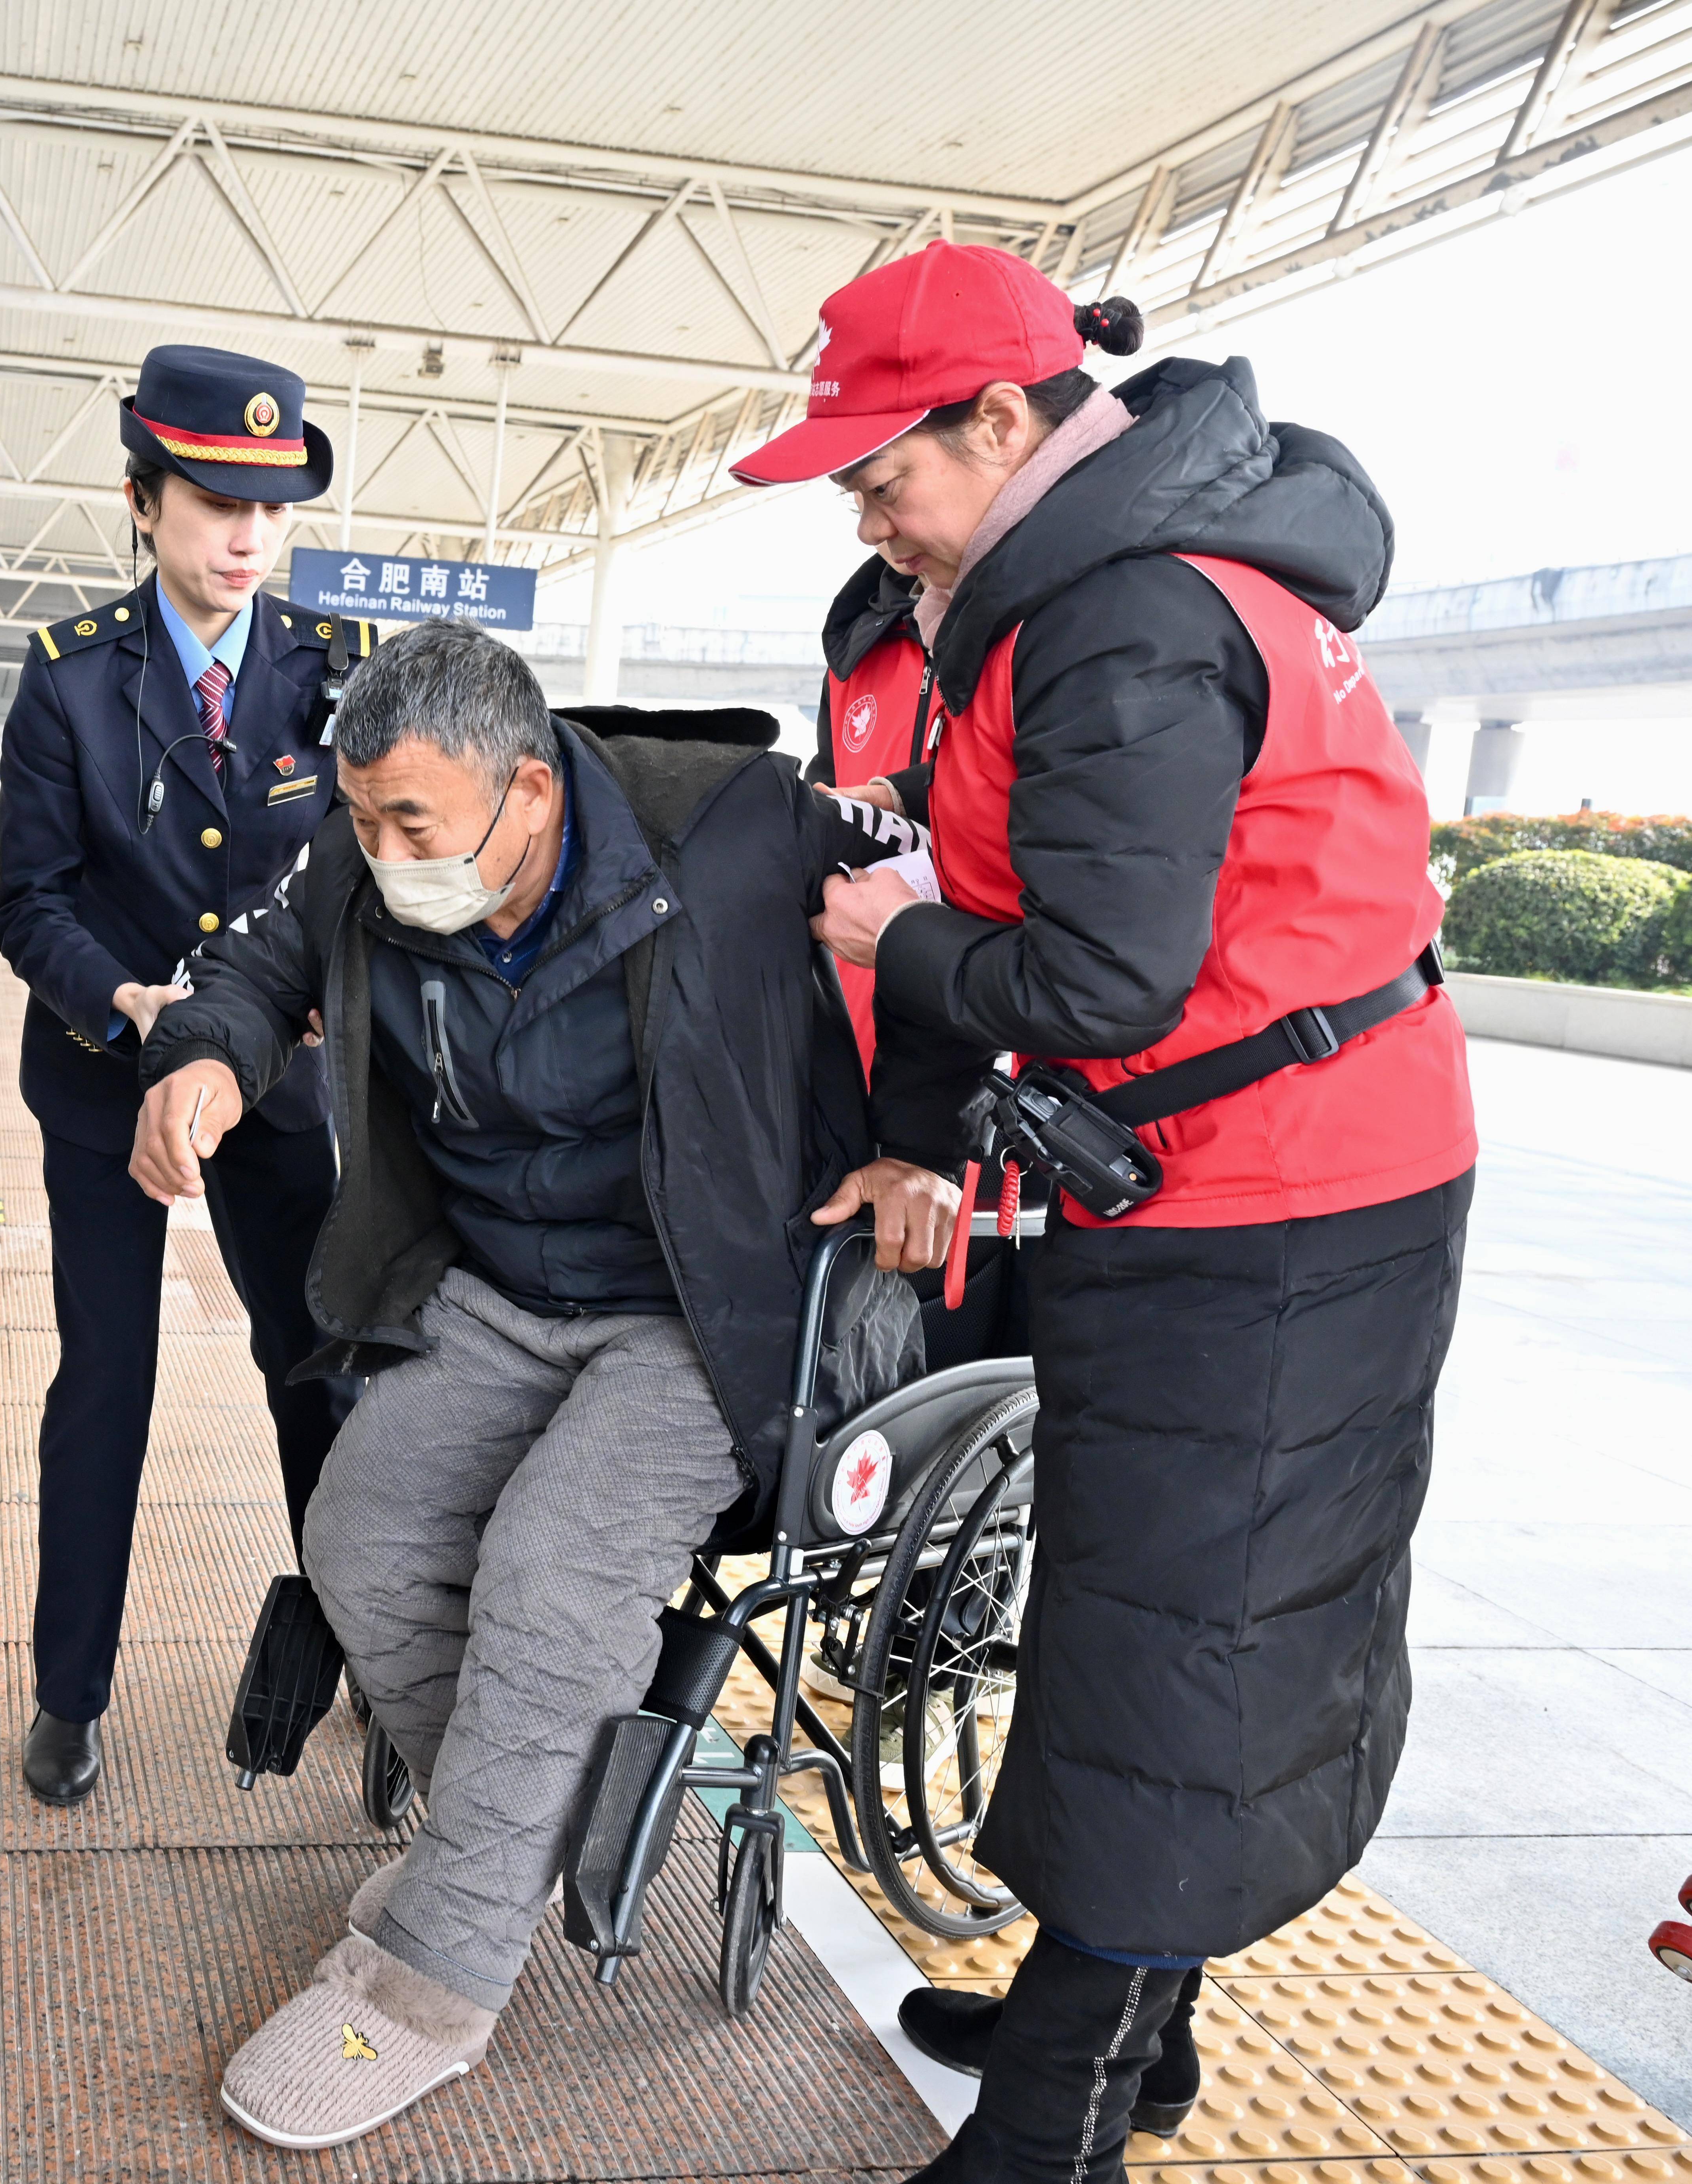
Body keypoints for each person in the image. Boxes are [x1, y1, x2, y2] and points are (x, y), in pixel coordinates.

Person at [745, 242, 1475, 2184]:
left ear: (1000, 421)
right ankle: (1129, 2023)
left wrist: (899, 936)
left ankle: (1055, 2117)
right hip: (1282, 1174)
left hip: (1277, 1205)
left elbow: (1098, 981)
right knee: (1171, 1618)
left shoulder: (1120, 616)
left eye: (879, 471)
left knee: (1179, 1641)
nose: (865, 515)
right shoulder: (1127, 570)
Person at [128, 618, 953, 2149]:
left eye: (410, 826)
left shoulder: (736, 825)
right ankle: (518, 1842)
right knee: (361, 1539)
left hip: (700, 1309)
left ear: (528, 788)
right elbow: (252, 960)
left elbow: (938, 929)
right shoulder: (363, 850)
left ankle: (436, 1971)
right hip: (498, 1289)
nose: (378, 856)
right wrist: (209, 1058)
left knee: (552, 1576)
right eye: (360, 820)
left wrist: (915, 1138)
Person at [0, 344, 366, 1807]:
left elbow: (369, 874)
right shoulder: (68, 682)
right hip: (101, 1082)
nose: (246, 539)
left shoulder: (330, 676)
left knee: (314, 1372)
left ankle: (369, 1661)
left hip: (275, 1087)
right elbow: (33, 904)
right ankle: (68, 1693)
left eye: (271, 511)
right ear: (141, 500)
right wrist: (126, 1000)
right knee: (109, 1383)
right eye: (215, 503)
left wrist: (290, 1013)